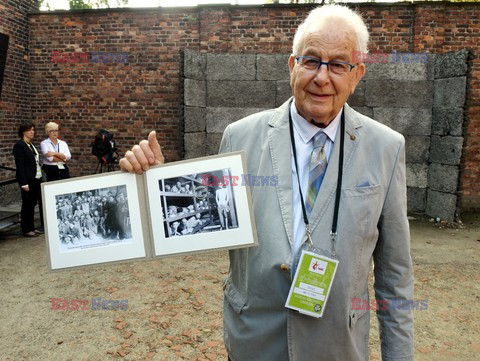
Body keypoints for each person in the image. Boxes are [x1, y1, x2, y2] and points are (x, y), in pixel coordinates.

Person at [119, 5, 414, 360]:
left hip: (337, 346)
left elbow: (395, 276)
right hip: (254, 343)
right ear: (292, 65)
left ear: (357, 74)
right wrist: (157, 186)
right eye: (311, 61)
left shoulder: (386, 147)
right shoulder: (239, 137)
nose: (322, 77)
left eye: (337, 64)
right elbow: (202, 221)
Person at [12, 122, 45, 237]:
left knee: (32, 203)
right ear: (23, 132)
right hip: (28, 180)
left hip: (36, 178)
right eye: (30, 130)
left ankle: (31, 227)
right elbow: (20, 166)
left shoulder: (30, 145)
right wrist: (23, 183)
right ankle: (26, 229)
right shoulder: (19, 145)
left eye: (33, 130)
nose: (32, 132)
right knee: (27, 204)